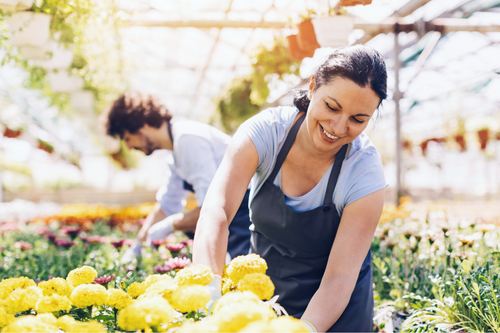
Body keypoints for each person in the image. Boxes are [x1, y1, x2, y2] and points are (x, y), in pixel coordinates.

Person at [193, 45, 388, 332]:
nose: (338, 126)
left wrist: (304, 330)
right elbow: (217, 211)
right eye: (332, 107)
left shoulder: (363, 171)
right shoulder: (266, 133)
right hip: (268, 288)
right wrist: (208, 293)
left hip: (336, 303)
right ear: (312, 87)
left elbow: (339, 277)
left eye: (358, 119)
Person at [103, 92, 252, 263]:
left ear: (141, 125)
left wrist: (172, 225)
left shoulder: (188, 139)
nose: (129, 147)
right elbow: (167, 205)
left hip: (247, 213)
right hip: (234, 214)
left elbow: (211, 209)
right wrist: (137, 246)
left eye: (128, 138)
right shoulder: (175, 154)